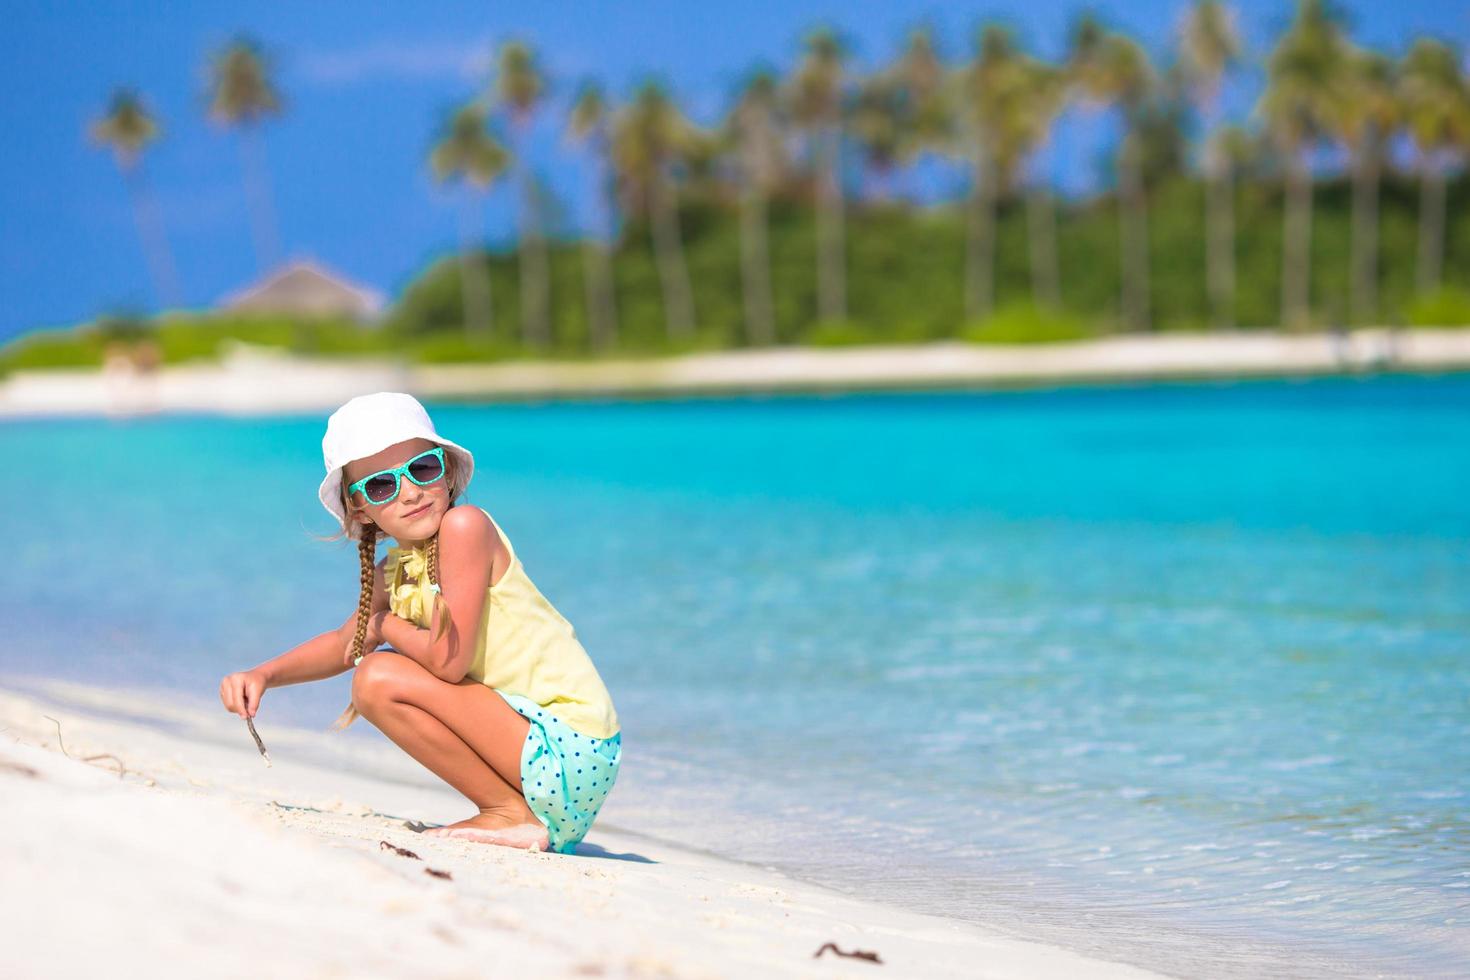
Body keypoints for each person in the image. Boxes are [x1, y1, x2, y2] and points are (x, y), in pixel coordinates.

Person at [219, 391, 622, 854]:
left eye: (422, 469)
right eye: (380, 486)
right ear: (359, 508)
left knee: (377, 674)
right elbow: (342, 642)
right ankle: (511, 810)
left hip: (569, 748)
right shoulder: (401, 567)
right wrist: (263, 675)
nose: (409, 491)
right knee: (373, 676)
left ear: (446, 474)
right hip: (544, 763)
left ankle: (508, 812)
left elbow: (447, 665)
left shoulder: (465, 527)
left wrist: (385, 627)